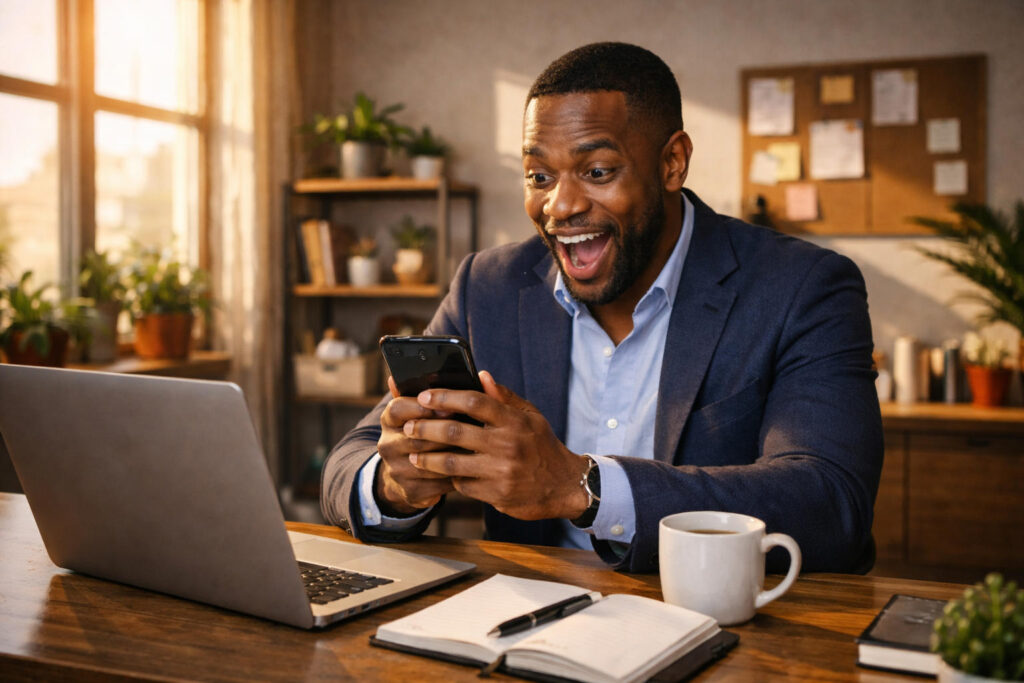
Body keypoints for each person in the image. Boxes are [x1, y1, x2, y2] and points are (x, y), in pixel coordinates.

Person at [321, 42, 883, 574]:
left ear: (672, 162)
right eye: (539, 176)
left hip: (727, 625)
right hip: (528, 627)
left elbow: (829, 500)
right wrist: (396, 485)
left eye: (597, 172)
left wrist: (578, 486)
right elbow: (351, 458)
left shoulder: (803, 286)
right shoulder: (486, 287)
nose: (559, 206)